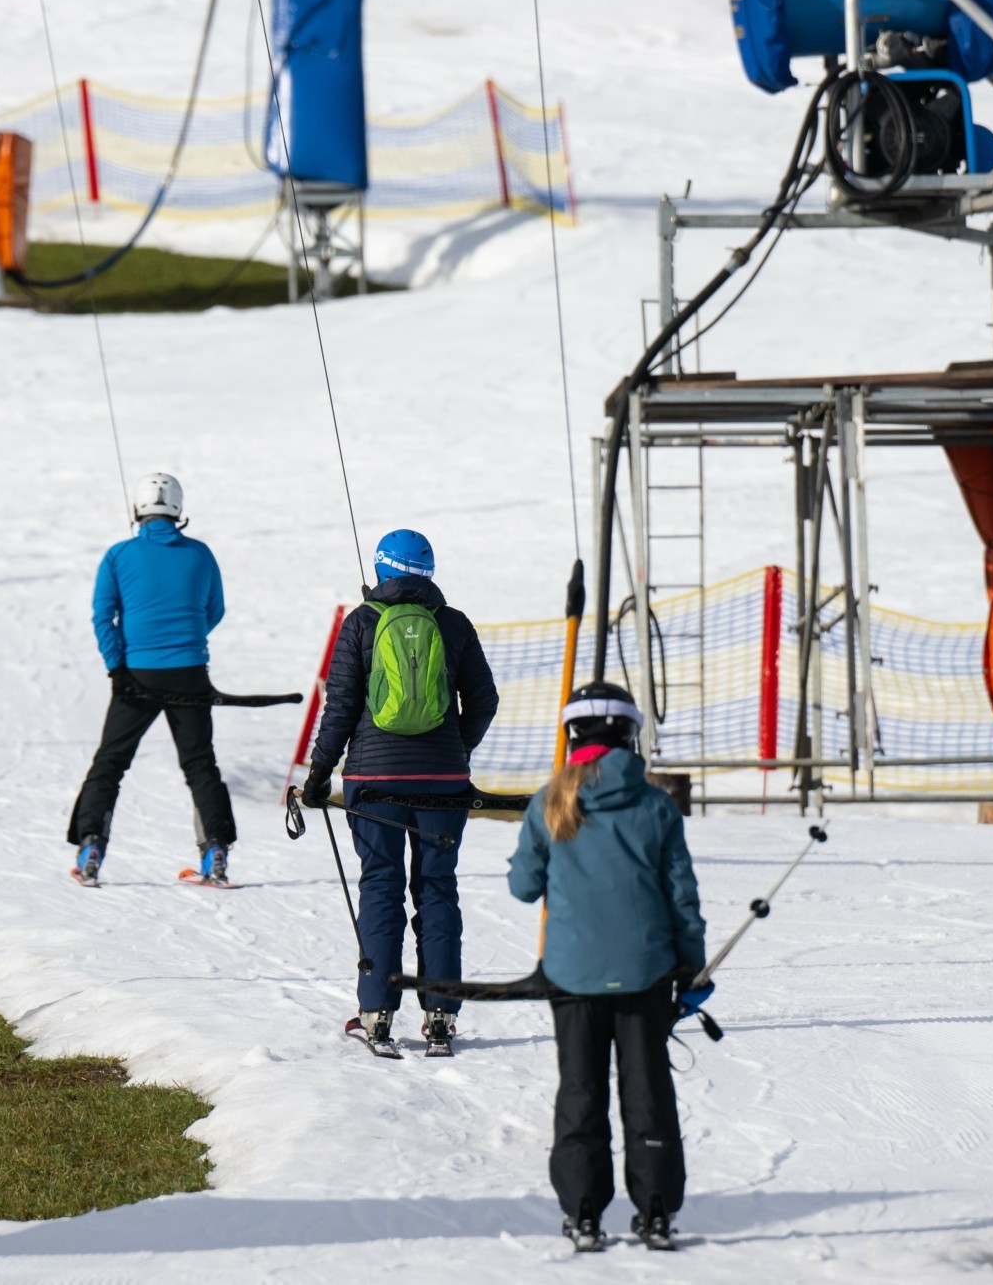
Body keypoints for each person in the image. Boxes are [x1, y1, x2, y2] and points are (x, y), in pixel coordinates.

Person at [508, 681, 707, 1253]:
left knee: (580, 1091)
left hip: (571, 974)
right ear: (629, 735)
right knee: (648, 1091)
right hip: (646, 971)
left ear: (573, 736)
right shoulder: (654, 805)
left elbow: (523, 887)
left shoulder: (550, 801)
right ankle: (656, 1214)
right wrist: (691, 966)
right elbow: (682, 897)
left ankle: (584, 1213)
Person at [300, 528, 498, 1055]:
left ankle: (377, 1013)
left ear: (381, 569)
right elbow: (485, 699)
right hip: (444, 783)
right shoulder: (453, 624)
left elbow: (340, 705)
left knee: (381, 886)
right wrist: (457, 749)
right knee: (437, 887)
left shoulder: (361, 624)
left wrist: (319, 774)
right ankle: (440, 1016)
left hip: (374, 781)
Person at [68, 473, 235, 887]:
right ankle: (215, 851)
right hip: (190, 673)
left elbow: (102, 616)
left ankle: (91, 846)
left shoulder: (118, 555)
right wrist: (184, 641)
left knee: (110, 763)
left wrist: (117, 666)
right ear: (177, 509)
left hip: (135, 676)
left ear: (138, 510)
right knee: (200, 765)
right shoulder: (201, 554)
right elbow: (214, 609)